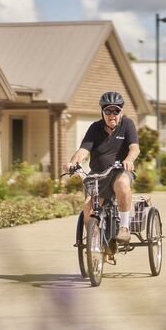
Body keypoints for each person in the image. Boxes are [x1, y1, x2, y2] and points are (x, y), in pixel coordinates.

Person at [65, 91, 139, 243]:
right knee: (88, 209)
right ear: (102, 112)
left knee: (122, 182)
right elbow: (83, 150)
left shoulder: (127, 125)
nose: (112, 115)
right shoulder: (94, 128)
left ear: (121, 111)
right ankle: (95, 244)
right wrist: (73, 163)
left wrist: (129, 160)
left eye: (116, 111)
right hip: (98, 175)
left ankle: (124, 228)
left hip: (120, 171)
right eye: (108, 111)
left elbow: (134, 148)